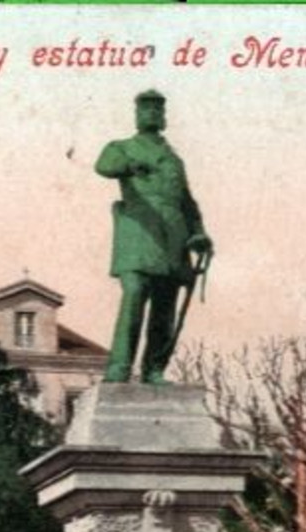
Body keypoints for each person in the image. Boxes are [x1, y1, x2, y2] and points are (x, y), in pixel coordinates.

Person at [95, 89, 212, 384]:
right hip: (138, 233)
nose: (152, 114)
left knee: (164, 306)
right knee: (134, 292)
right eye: (145, 109)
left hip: (173, 239)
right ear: (136, 115)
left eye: (158, 110)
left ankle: (154, 368)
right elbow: (104, 166)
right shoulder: (121, 147)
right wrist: (129, 167)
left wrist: (199, 233)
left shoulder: (175, 161)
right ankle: (119, 366)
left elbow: (187, 202)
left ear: (164, 117)